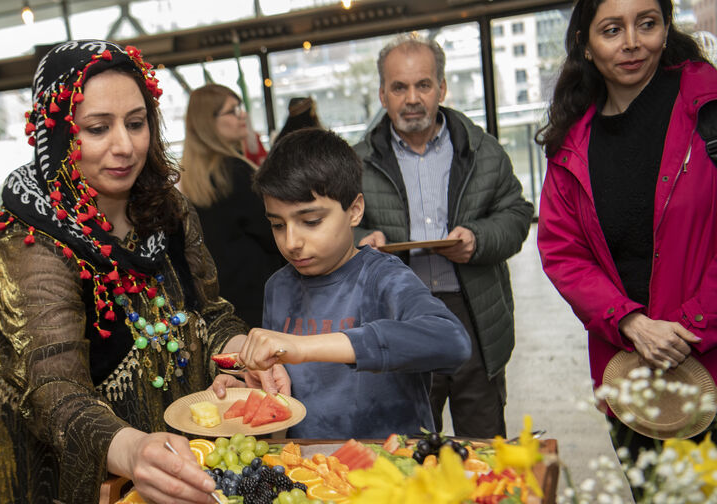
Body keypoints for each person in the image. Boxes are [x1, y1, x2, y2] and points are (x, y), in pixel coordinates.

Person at [0, 41, 286, 504]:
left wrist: (242, 352)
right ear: (57, 130)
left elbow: (209, 311)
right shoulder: (30, 240)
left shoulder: (167, 208)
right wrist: (131, 449)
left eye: (136, 122)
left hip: (180, 452)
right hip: (88, 473)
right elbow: (53, 389)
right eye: (97, 128)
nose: (124, 146)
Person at [536, 0, 717, 456]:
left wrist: (691, 324)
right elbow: (564, 252)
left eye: (647, 24)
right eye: (612, 30)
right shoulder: (571, 142)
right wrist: (631, 322)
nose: (632, 43)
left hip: (709, 354)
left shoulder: (709, 109)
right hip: (630, 371)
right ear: (587, 44)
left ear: (666, 27)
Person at [235, 127, 470, 439]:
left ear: (355, 210)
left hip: (388, 468)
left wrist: (303, 347)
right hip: (311, 467)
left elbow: (451, 340)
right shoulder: (278, 287)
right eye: (278, 225)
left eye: (311, 222)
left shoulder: (382, 277)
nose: (291, 242)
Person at [353, 35, 534, 439]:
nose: (412, 98)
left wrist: (479, 238)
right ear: (383, 94)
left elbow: (518, 213)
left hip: (475, 313)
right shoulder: (356, 162)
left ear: (442, 88)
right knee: (410, 443)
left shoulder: (482, 150)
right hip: (400, 316)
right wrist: (361, 241)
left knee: (483, 443)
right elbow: (335, 227)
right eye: (399, 87)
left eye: (423, 85)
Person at [181, 83, 284, 327]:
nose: (242, 116)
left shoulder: (195, 177)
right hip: (259, 295)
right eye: (233, 110)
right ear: (209, 121)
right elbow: (271, 232)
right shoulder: (235, 172)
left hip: (224, 297)